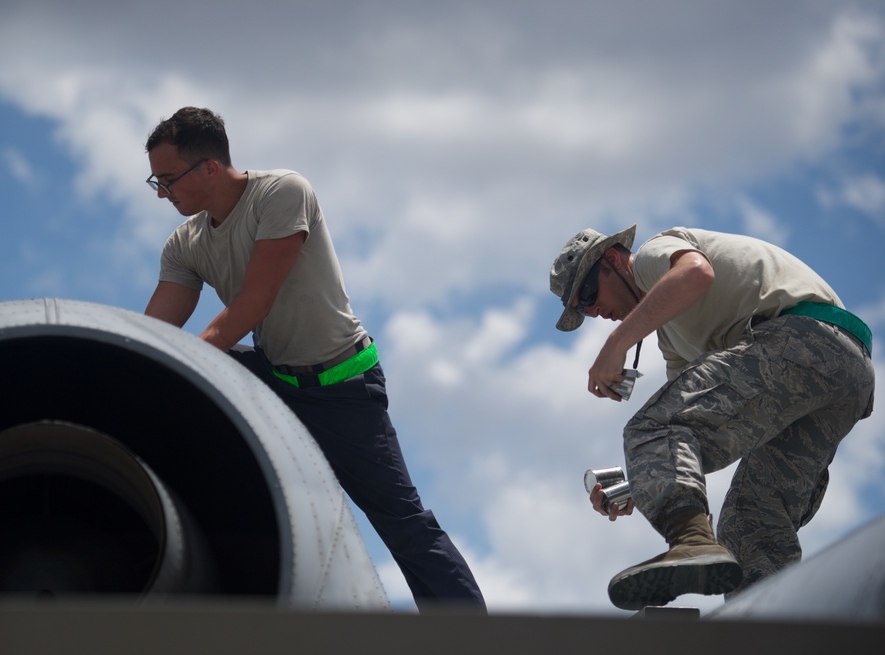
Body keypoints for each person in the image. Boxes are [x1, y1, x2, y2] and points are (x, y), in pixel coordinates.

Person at [141, 106, 485, 612]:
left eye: (168, 180)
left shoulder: (282, 193)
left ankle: (473, 639)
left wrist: (183, 365)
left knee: (402, 524)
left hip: (343, 387)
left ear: (209, 167)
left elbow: (254, 302)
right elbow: (154, 334)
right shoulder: (185, 244)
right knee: (172, 382)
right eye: (156, 182)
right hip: (276, 377)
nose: (162, 194)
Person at [549, 225, 875, 611]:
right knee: (751, 520)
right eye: (581, 311)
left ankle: (691, 543)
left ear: (613, 259)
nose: (592, 312)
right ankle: (768, 624)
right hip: (844, 376)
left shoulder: (651, 258)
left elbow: (696, 272)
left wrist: (617, 343)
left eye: (588, 294)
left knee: (651, 427)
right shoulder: (673, 340)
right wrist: (642, 481)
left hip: (806, 339)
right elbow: (693, 431)